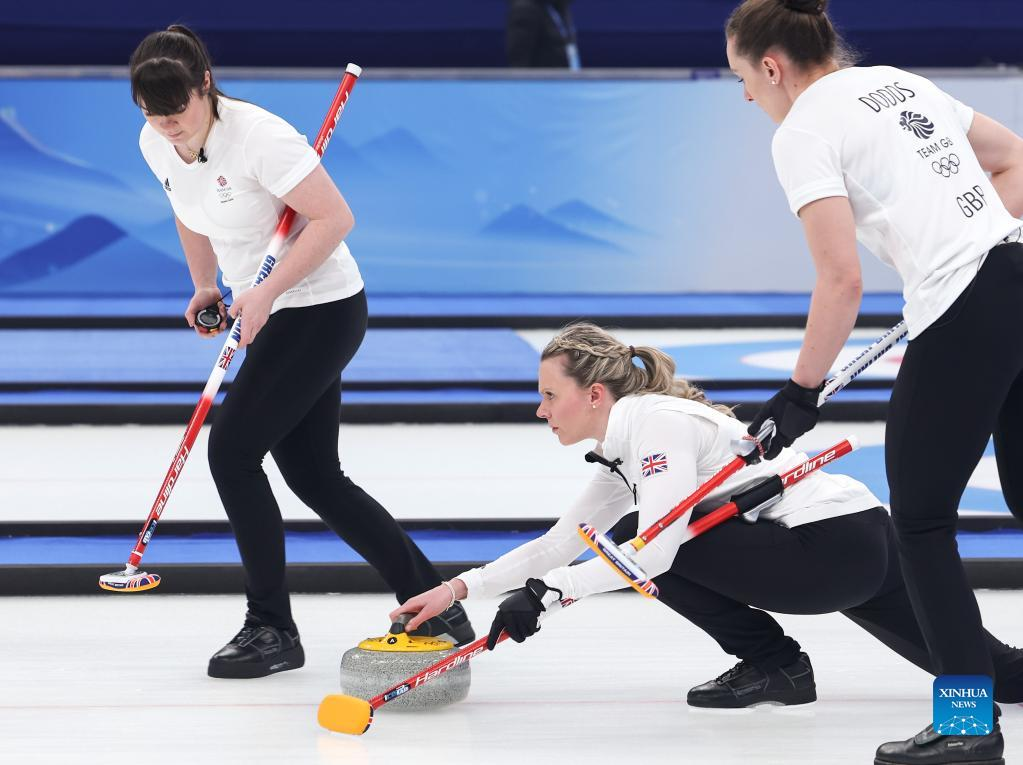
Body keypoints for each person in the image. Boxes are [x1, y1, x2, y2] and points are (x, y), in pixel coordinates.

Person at [390, 324, 1023, 715]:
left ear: (594, 395)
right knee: (998, 676)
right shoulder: (625, 445)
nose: (540, 410)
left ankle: (774, 663)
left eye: (549, 396)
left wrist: (552, 595)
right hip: (859, 541)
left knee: (652, 540)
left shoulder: (657, 424)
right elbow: (561, 543)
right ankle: (779, 665)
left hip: (827, 551)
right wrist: (456, 589)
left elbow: (659, 549)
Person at [724, 0, 1023, 761]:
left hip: (963, 308)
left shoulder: (802, 131)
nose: (745, 98)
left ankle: (965, 726)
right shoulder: (897, 82)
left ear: (770, 65)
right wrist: (981, 242)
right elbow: (1013, 156)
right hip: (1018, 271)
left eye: (742, 80)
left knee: (919, 524)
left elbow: (840, 278)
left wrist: (798, 392)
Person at [128, 25, 473, 679]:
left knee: (231, 451)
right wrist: (207, 284)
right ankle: (435, 604)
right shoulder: (156, 139)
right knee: (315, 475)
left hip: (319, 308)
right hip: (270, 308)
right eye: (156, 116)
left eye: (179, 113)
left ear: (206, 85)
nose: (170, 128)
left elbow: (333, 217)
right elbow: (186, 209)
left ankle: (270, 627)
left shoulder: (260, 136)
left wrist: (264, 292)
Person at [506, 0, 580, 70]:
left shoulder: (559, 9)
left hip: (569, 80)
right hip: (541, 82)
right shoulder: (524, 10)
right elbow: (519, 66)